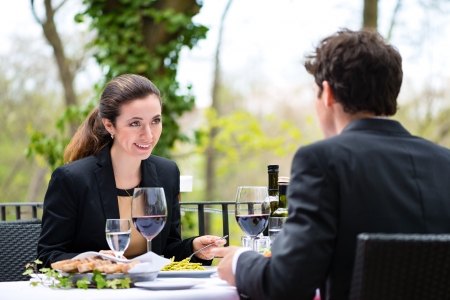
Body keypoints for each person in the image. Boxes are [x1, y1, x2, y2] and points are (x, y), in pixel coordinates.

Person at [212, 29, 450, 300]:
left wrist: (240, 262)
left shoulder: (322, 161)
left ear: (327, 94)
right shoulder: (445, 162)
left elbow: (287, 283)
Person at [38, 74, 224, 267]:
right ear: (109, 125)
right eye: (135, 123)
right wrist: (94, 261)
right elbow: (48, 256)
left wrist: (194, 248)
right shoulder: (72, 179)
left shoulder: (166, 172)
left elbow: (166, 249)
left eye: (155, 121)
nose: (149, 134)